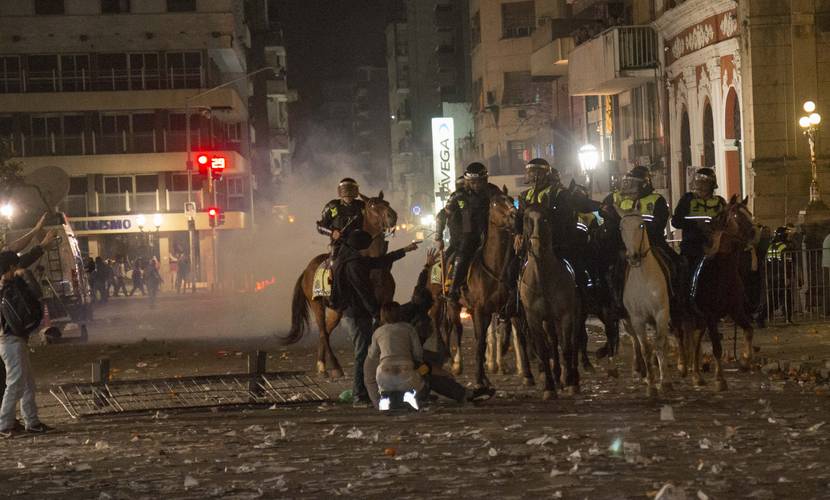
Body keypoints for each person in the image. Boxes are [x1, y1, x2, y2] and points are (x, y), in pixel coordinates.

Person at [329, 229, 420, 407]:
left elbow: (378, 261)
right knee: (362, 352)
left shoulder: (352, 258)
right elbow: (363, 293)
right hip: (356, 313)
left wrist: (404, 250)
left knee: (363, 351)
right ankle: (358, 394)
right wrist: (378, 314)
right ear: (361, 246)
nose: (369, 250)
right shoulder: (353, 265)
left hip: (358, 312)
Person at [0, 228, 58, 437]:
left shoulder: (7, 285)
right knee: (15, 383)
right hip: (9, 340)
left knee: (26, 384)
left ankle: (31, 421)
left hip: (14, 340)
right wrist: (25, 274)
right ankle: (4, 424)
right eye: (15, 265)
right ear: (11, 267)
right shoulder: (7, 288)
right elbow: (36, 294)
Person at [445, 162, 502, 302]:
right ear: (468, 182)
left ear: (485, 180)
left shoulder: (494, 191)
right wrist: (439, 236)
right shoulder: (458, 195)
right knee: (462, 256)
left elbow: (502, 205)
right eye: (473, 182)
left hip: (490, 232)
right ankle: (453, 288)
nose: (476, 185)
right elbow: (444, 213)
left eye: (479, 182)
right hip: (469, 235)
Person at [671, 167, 726, 299]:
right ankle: (683, 300)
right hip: (692, 246)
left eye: (704, 183)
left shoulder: (720, 202)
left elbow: (726, 223)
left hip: (716, 247)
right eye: (698, 182)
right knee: (683, 272)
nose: (700, 186)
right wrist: (696, 224)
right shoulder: (687, 200)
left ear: (712, 185)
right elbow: (676, 221)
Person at [366, 302, 425, 410]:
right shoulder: (409, 328)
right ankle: (409, 394)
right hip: (406, 371)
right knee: (422, 373)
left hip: (385, 372)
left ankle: (384, 398)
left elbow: (373, 354)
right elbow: (418, 353)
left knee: (375, 378)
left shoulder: (378, 332)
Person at [317, 178, 366, 252]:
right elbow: (320, 226)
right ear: (340, 191)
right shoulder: (332, 206)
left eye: (350, 189)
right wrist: (332, 232)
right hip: (339, 244)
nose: (348, 193)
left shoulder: (362, 206)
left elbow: (373, 223)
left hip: (359, 244)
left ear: (355, 191)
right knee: (335, 262)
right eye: (345, 190)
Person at [765, 226, 797, 324]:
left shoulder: (771, 246)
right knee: (786, 297)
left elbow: (768, 262)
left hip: (772, 276)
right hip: (782, 276)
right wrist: (788, 276)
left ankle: (763, 316)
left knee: (772, 297)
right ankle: (788, 318)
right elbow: (787, 262)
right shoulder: (785, 247)